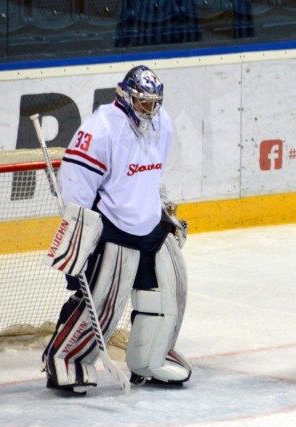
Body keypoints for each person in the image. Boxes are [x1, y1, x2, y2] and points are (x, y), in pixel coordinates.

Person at [41, 65, 192, 395]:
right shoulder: (101, 130)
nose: (150, 111)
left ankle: (150, 357)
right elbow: (76, 184)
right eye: (143, 103)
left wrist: (165, 209)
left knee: (172, 289)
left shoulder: (162, 124)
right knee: (104, 305)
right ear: (125, 98)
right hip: (113, 226)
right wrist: (80, 231)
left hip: (150, 222)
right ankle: (68, 359)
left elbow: (155, 174)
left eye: (155, 103)